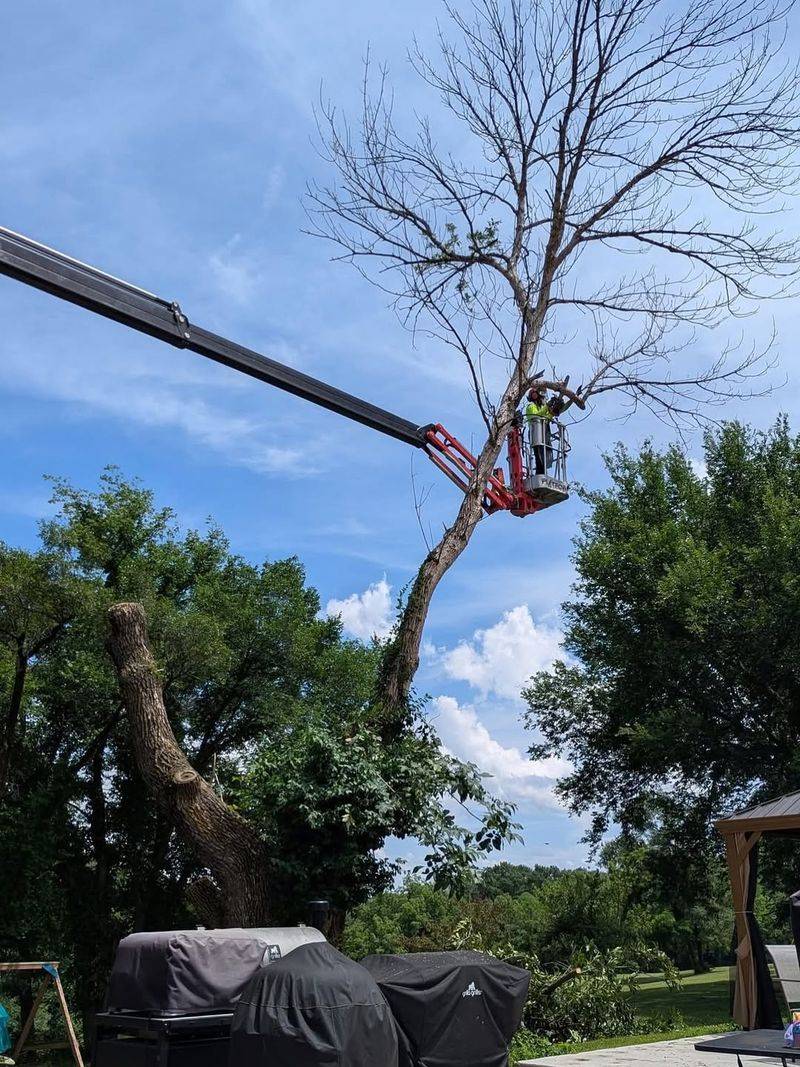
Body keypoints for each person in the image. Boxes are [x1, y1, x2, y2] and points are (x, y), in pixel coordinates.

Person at [524, 385, 561, 474]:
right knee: (538, 455)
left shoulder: (540, 407)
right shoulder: (530, 406)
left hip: (543, 432)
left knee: (544, 454)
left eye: (535, 394)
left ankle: (543, 473)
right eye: (532, 394)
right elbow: (537, 416)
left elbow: (546, 419)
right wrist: (547, 406)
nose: (534, 395)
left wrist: (552, 412)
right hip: (535, 432)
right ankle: (539, 473)